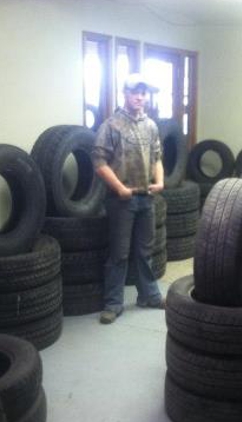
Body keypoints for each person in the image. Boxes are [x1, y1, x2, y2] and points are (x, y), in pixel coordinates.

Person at [92, 73, 165, 324]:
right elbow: (99, 162)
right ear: (125, 93)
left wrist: (161, 181)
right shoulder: (111, 125)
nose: (140, 97)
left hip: (147, 199)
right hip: (122, 200)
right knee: (120, 254)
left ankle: (150, 296)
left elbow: (157, 156)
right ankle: (113, 303)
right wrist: (120, 189)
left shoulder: (151, 125)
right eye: (136, 92)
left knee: (145, 251)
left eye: (144, 92)